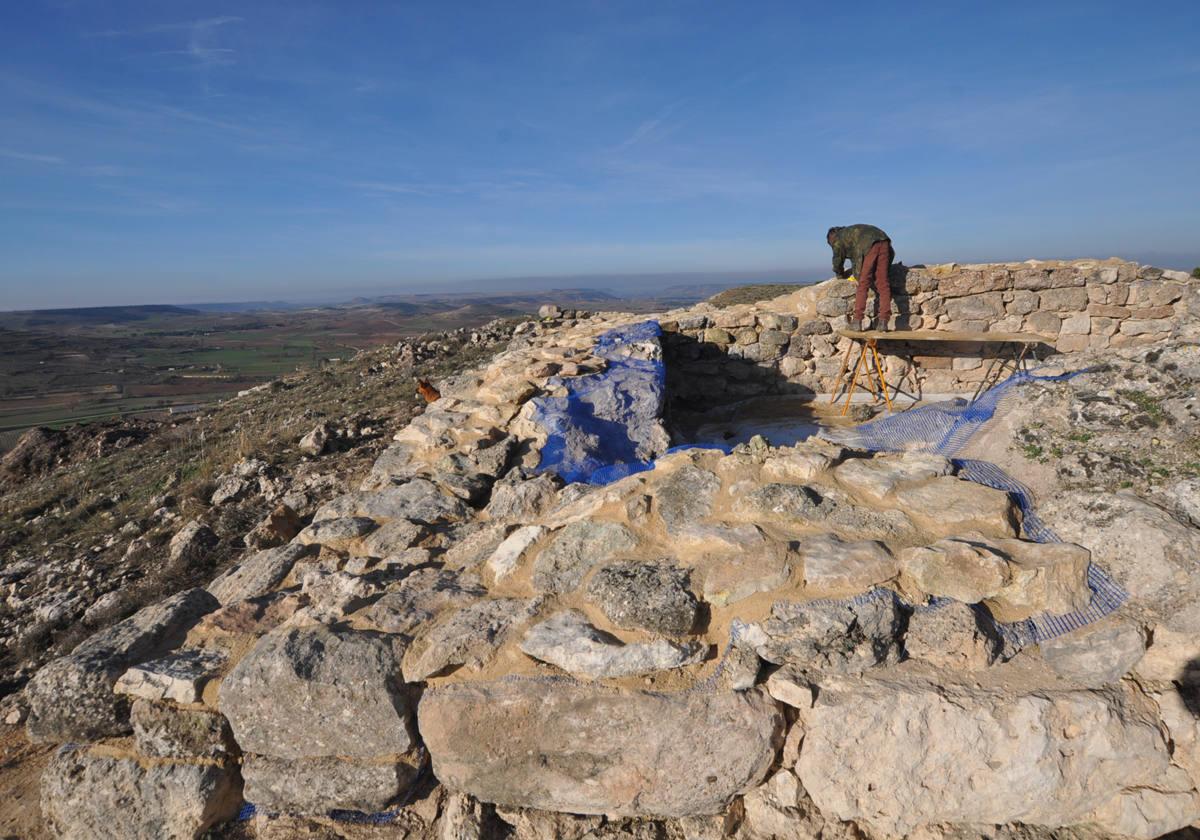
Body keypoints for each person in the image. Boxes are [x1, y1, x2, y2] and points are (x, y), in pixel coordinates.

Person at [827, 224, 894, 331]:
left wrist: (840, 275)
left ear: (831, 237)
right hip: (884, 240)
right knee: (883, 283)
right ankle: (883, 322)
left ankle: (857, 321)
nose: (833, 246)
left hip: (869, 245)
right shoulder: (851, 232)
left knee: (863, 284)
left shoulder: (837, 238)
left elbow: (837, 259)